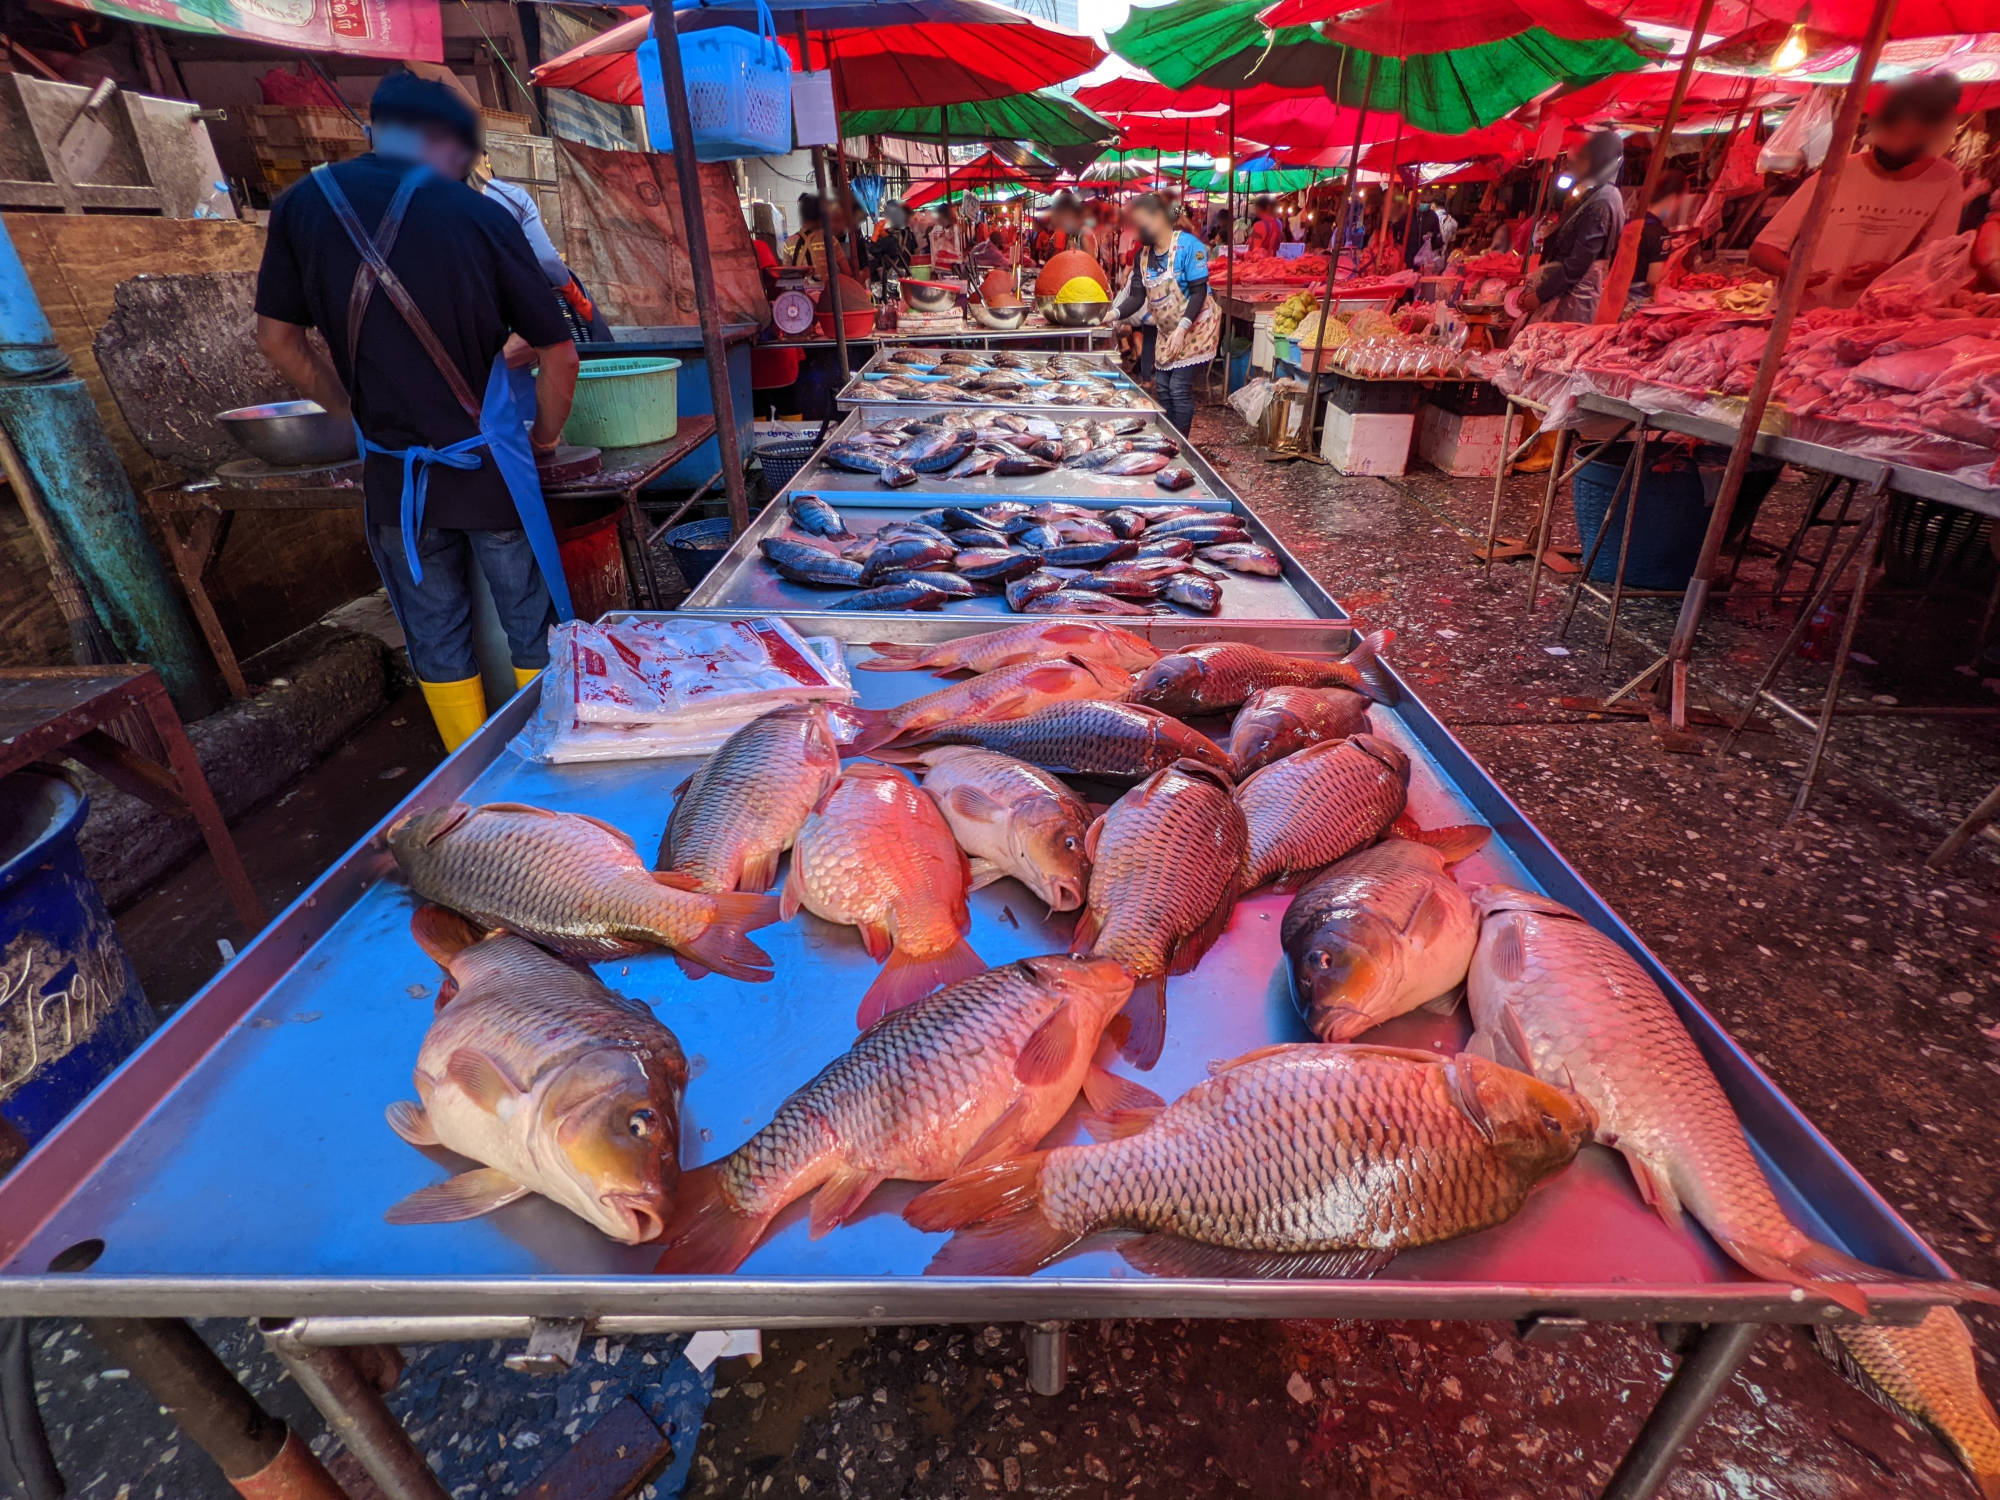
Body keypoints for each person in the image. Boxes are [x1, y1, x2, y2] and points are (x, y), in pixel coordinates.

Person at [254, 73, 579, 750]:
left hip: (394, 477)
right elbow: (558, 352)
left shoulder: (300, 206)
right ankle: (545, 758)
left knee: (433, 627)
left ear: (376, 127)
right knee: (527, 617)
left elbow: (277, 338)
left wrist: (352, 412)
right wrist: (545, 440)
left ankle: (467, 767)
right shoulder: (481, 214)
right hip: (487, 470)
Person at [1750, 72, 1965, 309]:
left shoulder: (1946, 180)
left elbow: (1934, 263)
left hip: (1877, 320)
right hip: (1801, 317)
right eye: (1896, 130)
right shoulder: (1835, 173)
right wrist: (1794, 273)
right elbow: (1763, 249)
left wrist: (1887, 273)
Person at [1110, 191, 1220, 436]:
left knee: (1179, 387)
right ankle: (1171, 437)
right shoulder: (1143, 255)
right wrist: (1112, 314)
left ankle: (1183, 443)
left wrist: (1182, 328)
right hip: (1167, 329)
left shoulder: (1190, 247)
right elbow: (1137, 297)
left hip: (1196, 325)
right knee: (1162, 385)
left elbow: (1199, 293)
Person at [476, 168, 612, 344]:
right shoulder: (512, 196)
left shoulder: (436, 198)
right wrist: (574, 294)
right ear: (486, 160)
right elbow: (547, 260)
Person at [1518, 131, 1628, 323]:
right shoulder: (1598, 194)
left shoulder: (1603, 201)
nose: (1576, 164)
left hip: (1575, 303)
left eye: (1585, 157)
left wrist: (1540, 295)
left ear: (1599, 159)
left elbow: (1578, 263)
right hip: (1569, 295)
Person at [1633, 168, 1689, 303]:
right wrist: (1676, 255)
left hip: (1616, 298)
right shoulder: (1659, 232)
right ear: (1672, 198)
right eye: (1679, 201)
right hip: (1636, 301)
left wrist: (1667, 248)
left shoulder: (1635, 221)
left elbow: (1643, 253)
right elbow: (1654, 278)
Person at [930, 200, 965, 277]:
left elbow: (958, 250)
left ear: (943, 215)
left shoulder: (956, 230)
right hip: (940, 270)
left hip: (952, 271)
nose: (937, 219)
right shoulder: (937, 230)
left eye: (938, 216)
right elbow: (934, 252)